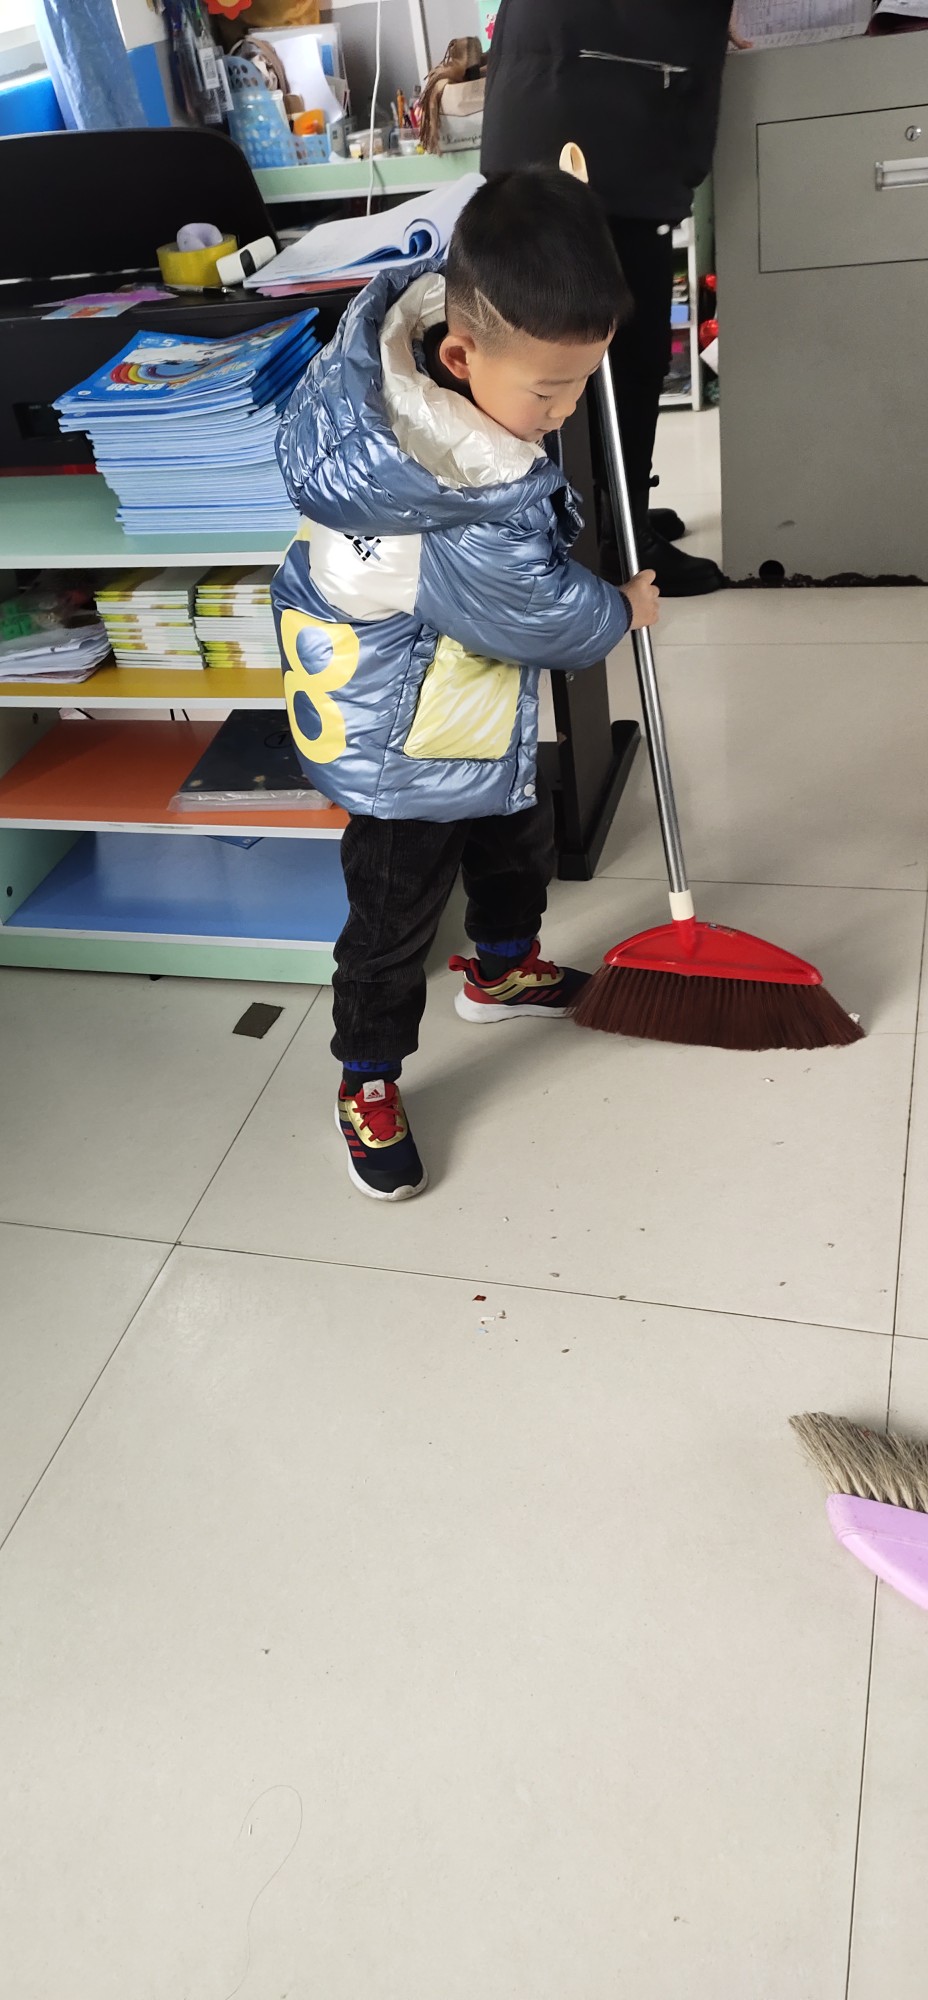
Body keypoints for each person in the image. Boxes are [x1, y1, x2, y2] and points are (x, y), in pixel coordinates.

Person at [273, 170, 659, 1202]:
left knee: (514, 836)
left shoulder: (407, 381)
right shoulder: (456, 490)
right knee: (393, 915)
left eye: (581, 383)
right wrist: (622, 607)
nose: (564, 411)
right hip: (402, 747)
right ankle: (366, 1076)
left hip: (461, 705)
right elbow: (538, 615)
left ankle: (499, 964)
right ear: (459, 356)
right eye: (549, 392)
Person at [481, 0, 734, 596]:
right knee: (621, 351)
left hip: (571, 86)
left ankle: (612, 510)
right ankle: (615, 536)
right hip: (603, 103)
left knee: (592, 345)